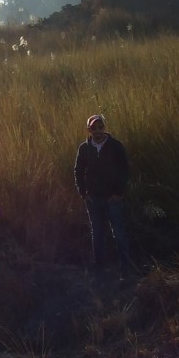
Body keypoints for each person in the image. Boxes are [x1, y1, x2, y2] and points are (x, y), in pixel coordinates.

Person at [74, 114, 132, 281]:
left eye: (100, 127)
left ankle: (125, 272)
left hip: (112, 198)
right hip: (94, 199)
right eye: (94, 128)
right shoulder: (84, 148)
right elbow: (78, 171)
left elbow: (125, 170)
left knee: (119, 234)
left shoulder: (115, 146)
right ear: (89, 130)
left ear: (104, 128)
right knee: (97, 234)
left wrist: (119, 193)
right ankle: (99, 272)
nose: (98, 131)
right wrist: (83, 193)